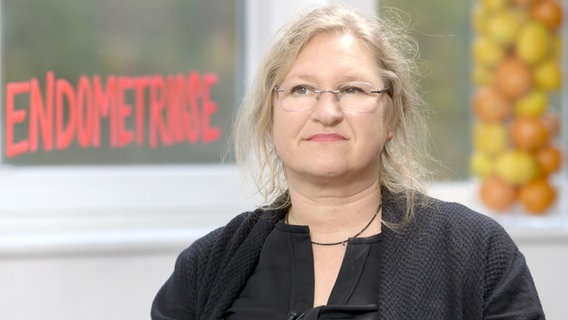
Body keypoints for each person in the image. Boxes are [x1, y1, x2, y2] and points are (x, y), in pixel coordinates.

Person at [151, 4, 545, 319]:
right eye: (302, 89)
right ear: (271, 117)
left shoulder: (478, 253)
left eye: (352, 89)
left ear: (390, 117)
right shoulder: (204, 268)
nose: (327, 111)